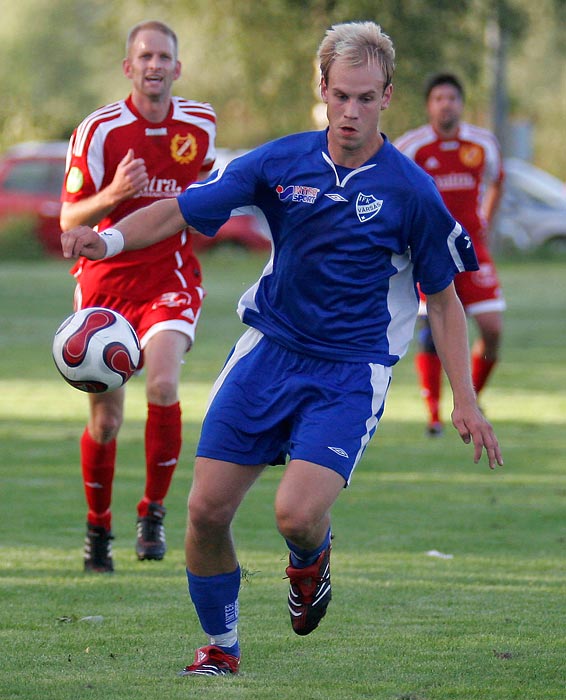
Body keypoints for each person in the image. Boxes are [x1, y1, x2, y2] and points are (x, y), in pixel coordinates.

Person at [61, 21, 503, 674]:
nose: (350, 111)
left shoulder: (411, 190)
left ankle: (310, 559)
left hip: (350, 372)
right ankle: (222, 648)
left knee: (294, 515)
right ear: (322, 90)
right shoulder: (280, 162)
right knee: (205, 512)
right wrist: (110, 241)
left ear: (387, 95)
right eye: (340, 96)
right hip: (267, 354)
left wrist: (464, 400)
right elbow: (183, 207)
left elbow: (443, 299)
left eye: (365, 97)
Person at [59, 20, 217, 573]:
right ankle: (98, 526)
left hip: (170, 276)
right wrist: (116, 194)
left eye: (164, 57)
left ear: (177, 67)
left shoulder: (200, 125)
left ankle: (152, 512)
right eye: (144, 56)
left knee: (165, 382)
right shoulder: (100, 130)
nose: (154, 65)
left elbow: (202, 194)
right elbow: (69, 218)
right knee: (105, 422)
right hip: (105, 286)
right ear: (129, 67)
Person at [394, 73, 505, 436]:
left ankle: (470, 399)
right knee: (432, 331)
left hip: (474, 251)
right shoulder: (412, 146)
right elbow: (393, 188)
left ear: (461, 103)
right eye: (439, 98)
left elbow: (497, 180)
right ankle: (434, 415)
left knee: (492, 329)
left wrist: (485, 218)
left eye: (452, 98)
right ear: (430, 105)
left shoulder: (482, 144)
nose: (446, 104)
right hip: (432, 251)